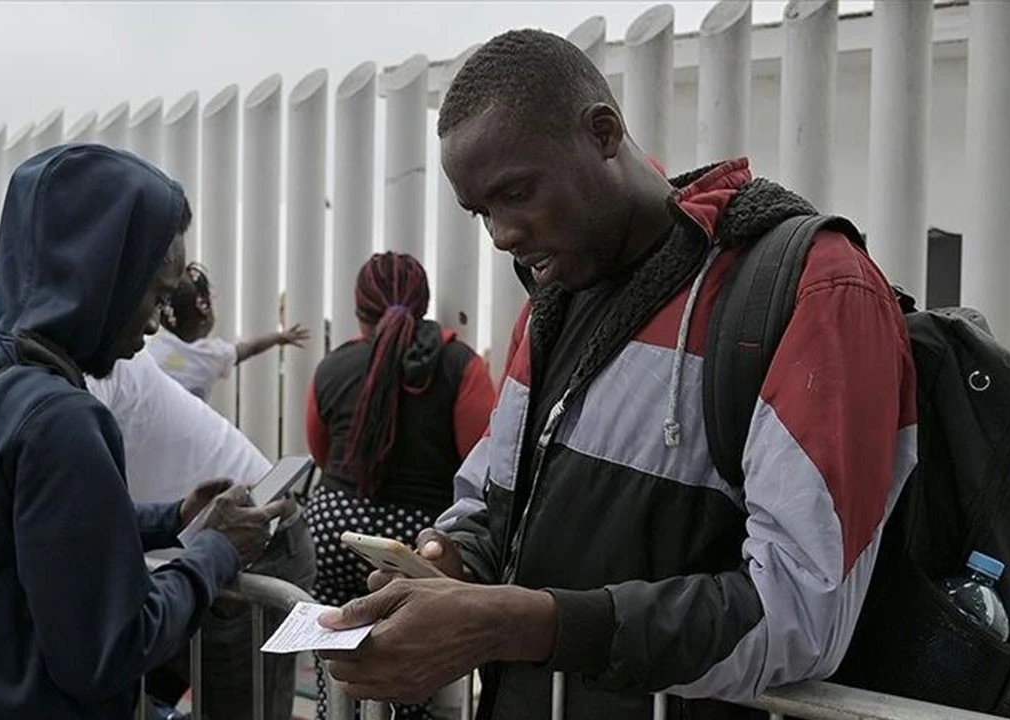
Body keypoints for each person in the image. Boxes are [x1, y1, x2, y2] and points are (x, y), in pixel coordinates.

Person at [317, 30, 917, 720]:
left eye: (516, 192)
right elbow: (492, 503)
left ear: (603, 132)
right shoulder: (552, 299)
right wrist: (452, 561)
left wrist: (512, 623)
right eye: (482, 211)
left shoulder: (818, 290)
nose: (501, 235)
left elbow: (797, 618)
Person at [0, 226, 314, 720]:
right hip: (173, 550)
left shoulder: (68, 380)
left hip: (252, 536)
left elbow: (97, 634)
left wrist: (205, 540)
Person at [304, 251, 495, 720]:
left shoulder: (333, 365)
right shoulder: (460, 365)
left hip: (334, 526)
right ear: (425, 303)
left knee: (338, 664)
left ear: (358, 310)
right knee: (412, 673)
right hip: (414, 544)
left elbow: (320, 451)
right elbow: (482, 458)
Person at [149, 262, 310, 400]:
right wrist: (278, 337)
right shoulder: (210, 355)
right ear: (204, 313)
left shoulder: (151, 344)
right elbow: (249, 349)